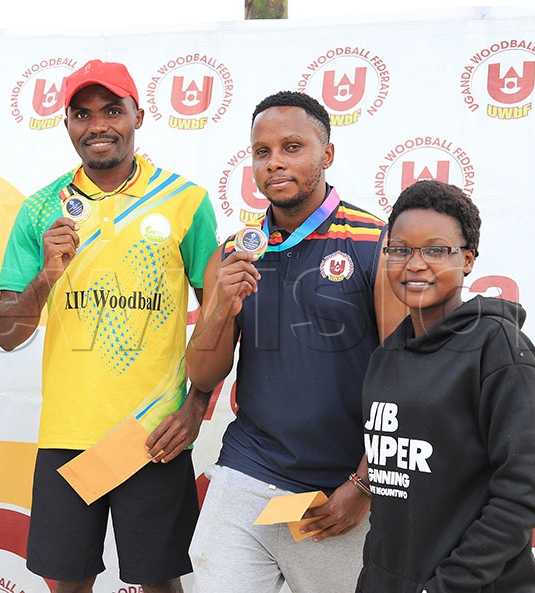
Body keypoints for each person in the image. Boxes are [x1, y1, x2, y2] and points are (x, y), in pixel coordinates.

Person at [0, 59, 219, 593]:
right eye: (82, 114)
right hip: (68, 436)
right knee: (67, 583)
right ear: (67, 124)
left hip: (153, 434)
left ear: (138, 114)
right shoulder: (41, 209)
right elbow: (6, 332)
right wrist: (48, 274)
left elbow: (219, 317)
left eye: (112, 110)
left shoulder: (186, 201)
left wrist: (195, 406)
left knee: (160, 583)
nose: (98, 125)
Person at [186, 90, 406, 593]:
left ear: (326, 154)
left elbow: (404, 378)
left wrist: (367, 481)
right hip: (248, 471)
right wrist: (221, 302)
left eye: (292, 147)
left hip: (338, 491)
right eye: (262, 152)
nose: (274, 162)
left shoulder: (376, 242)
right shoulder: (235, 250)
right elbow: (202, 375)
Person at [355, 179, 535, 593]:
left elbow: (523, 494)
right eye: (400, 250)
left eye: (435, 250)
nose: (414, 264)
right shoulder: (385, 358)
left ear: (466, 260)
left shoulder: (497, 348)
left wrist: (448, 585)